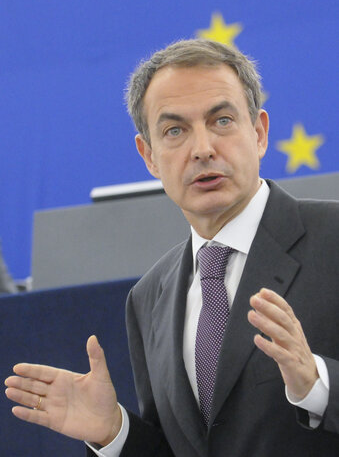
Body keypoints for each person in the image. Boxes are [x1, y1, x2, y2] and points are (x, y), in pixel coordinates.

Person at [5, 39, 339, 456]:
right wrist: (114, 434)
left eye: (221, 121)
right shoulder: (148, 298)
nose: (202, 149)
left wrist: (318, 385)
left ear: (259, 133)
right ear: (149, 156)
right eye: (174, 131)